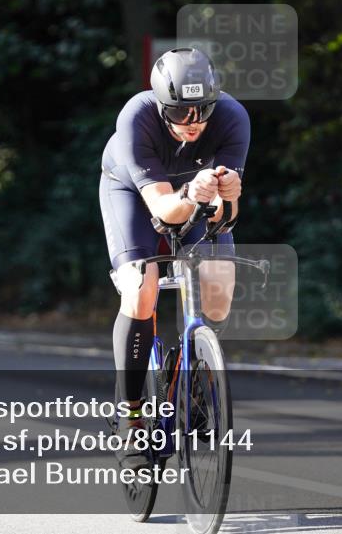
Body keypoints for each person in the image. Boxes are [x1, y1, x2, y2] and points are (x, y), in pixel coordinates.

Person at [99, 48, 250, 470]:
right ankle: (130, 416)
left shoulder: (233, 118)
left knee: (218, 294)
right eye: (181, 112)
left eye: (202, 111)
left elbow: (224, 218)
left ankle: (194, 383)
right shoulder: (137, 118)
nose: (193, 122)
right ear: (162, 105)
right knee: (140, 289)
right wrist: (190, 193)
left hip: (195, 193)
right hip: (134, 194)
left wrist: (229, 197)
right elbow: (164, 212)